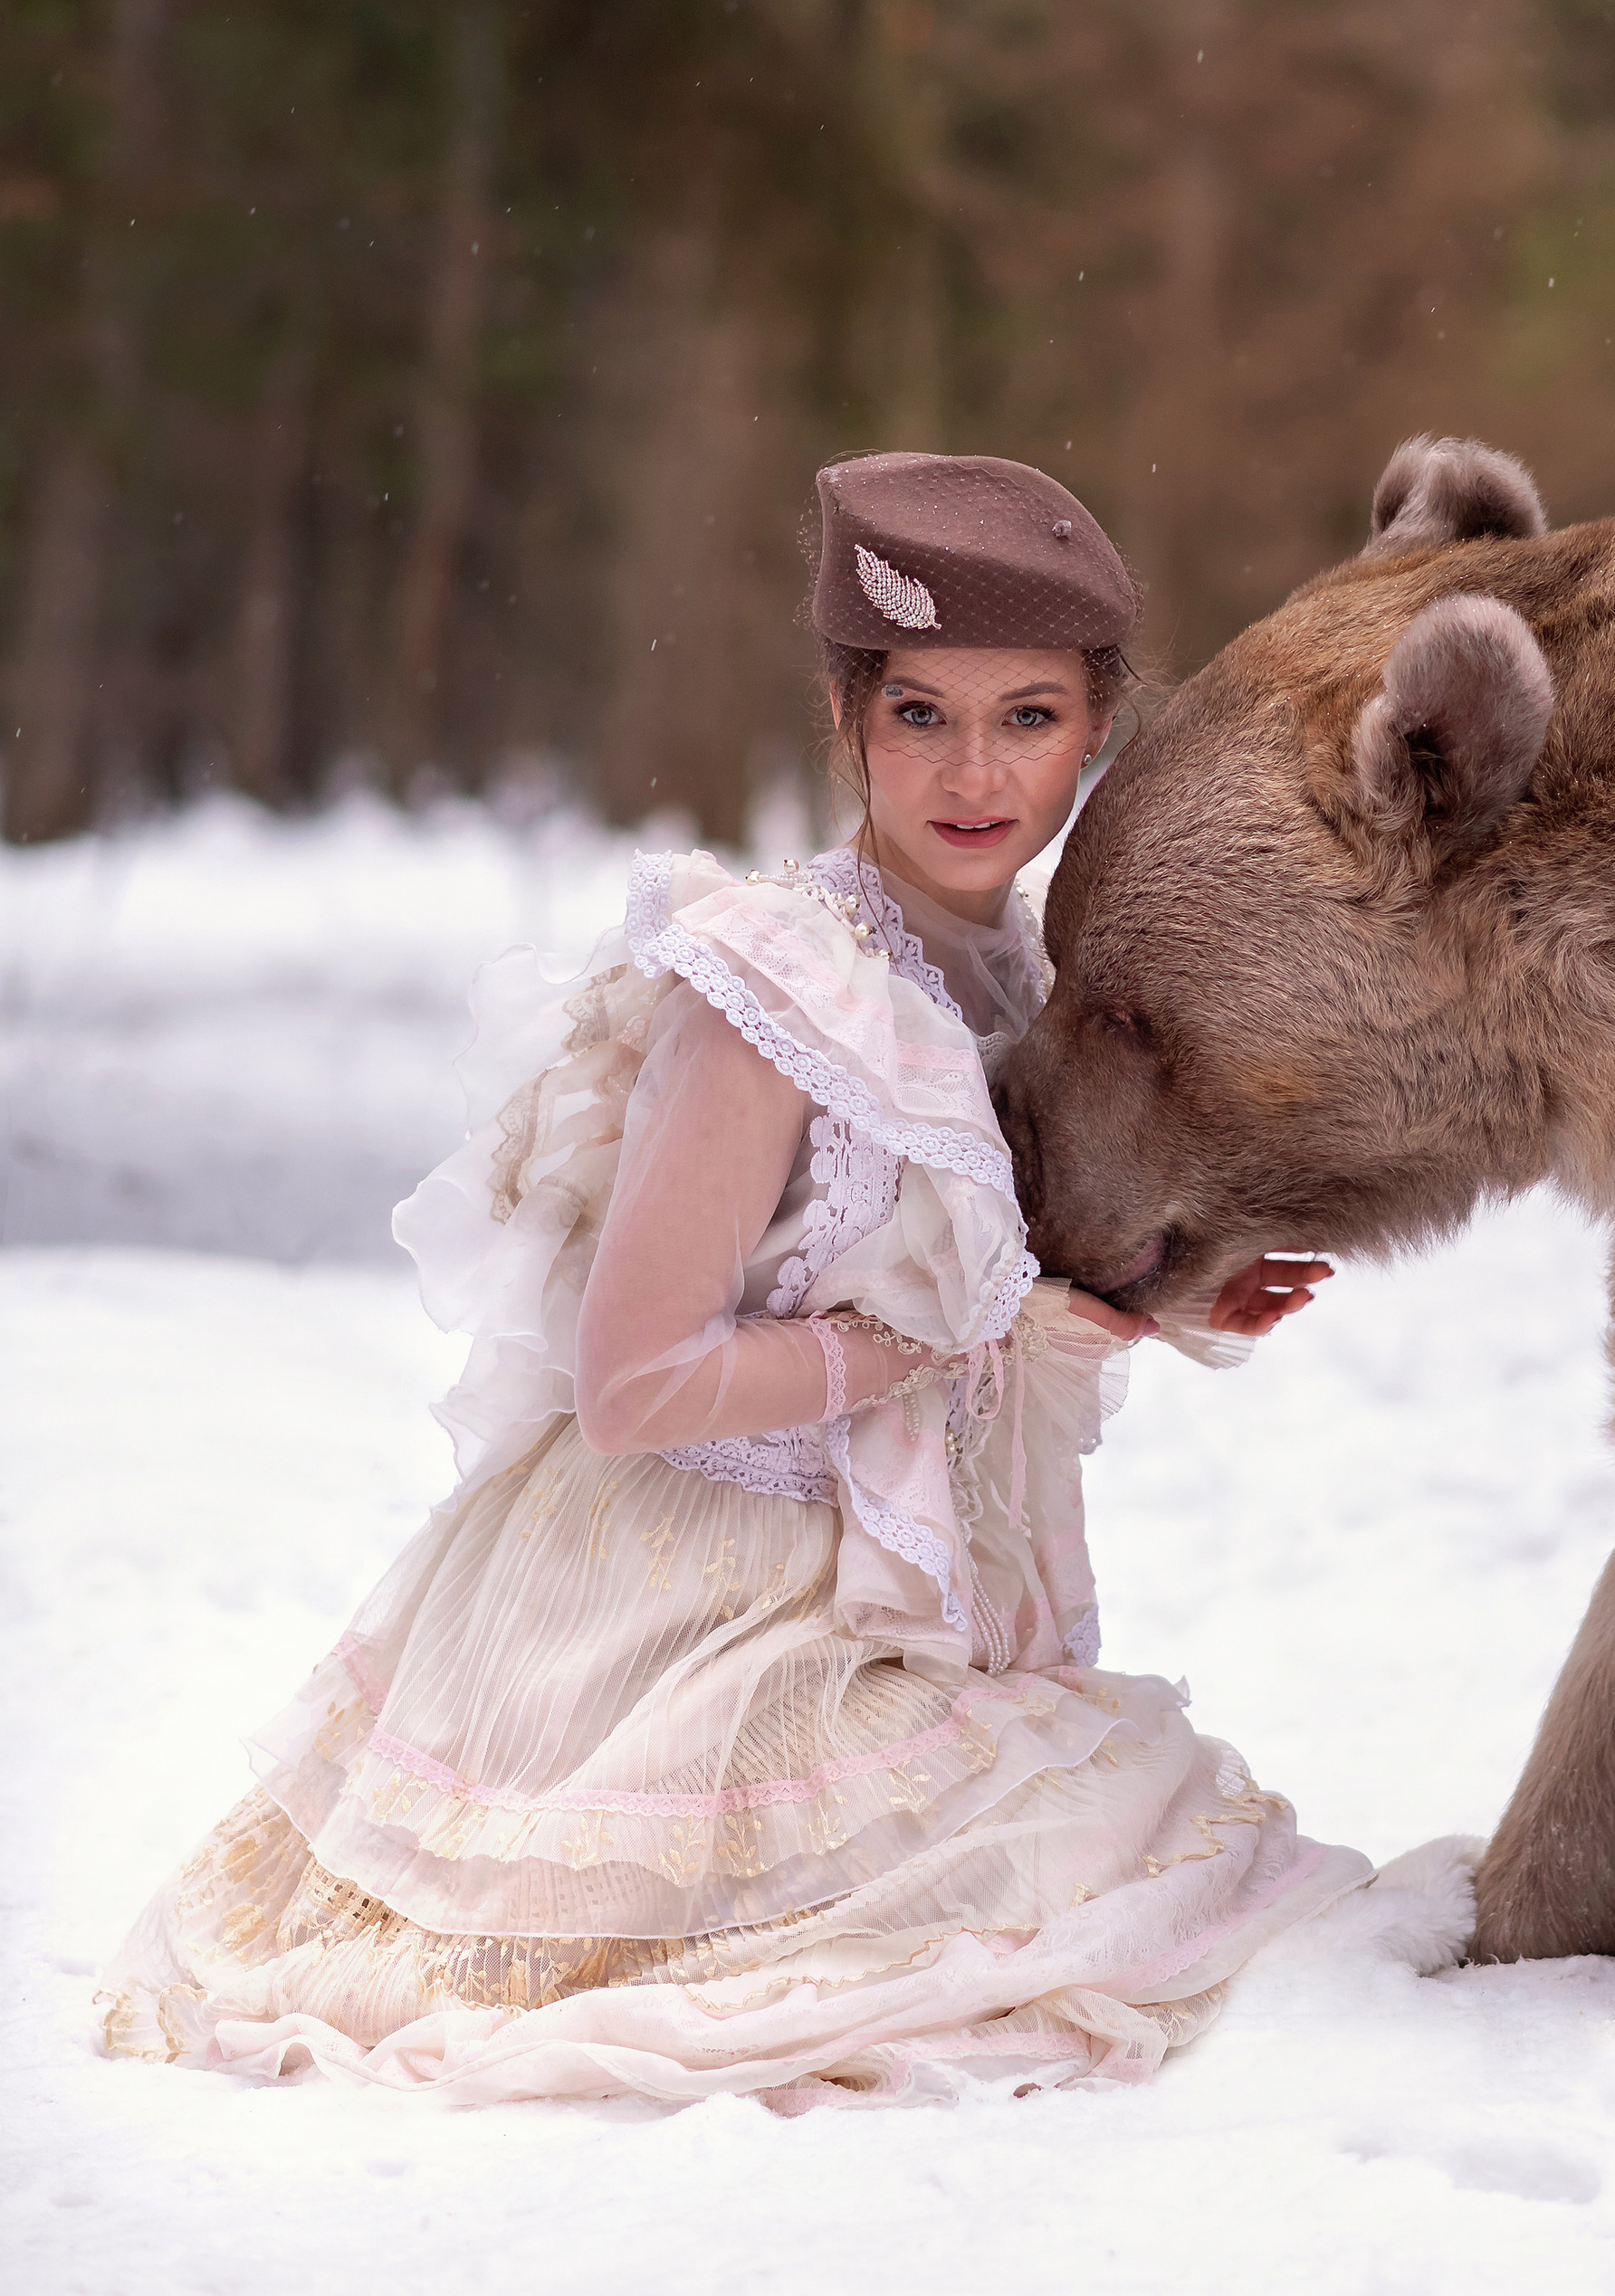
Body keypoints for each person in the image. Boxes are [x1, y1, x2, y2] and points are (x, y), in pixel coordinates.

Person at [98, 453, 1372, 2106]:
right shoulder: (775, 989)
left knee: (1166, 1840)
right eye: (919, 714)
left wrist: (1149, 1305)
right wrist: (914, 1353)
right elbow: (636, 1381)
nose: (973, 772)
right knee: (1109, 1862)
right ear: (845, 720)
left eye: (1029, 717)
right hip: (690, 1607)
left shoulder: (1021, 970)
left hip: (877, 1602)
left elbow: (958, 1275)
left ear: (1099, 733)